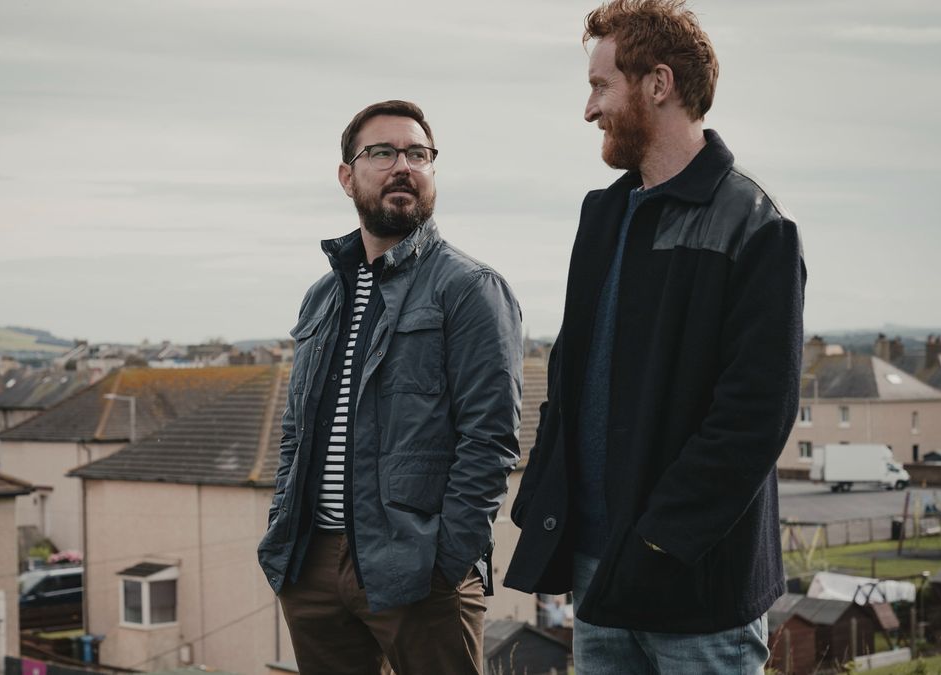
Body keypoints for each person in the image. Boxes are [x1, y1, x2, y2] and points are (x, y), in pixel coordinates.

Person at [503, 2, 806, 673]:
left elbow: (755, 415)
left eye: (600, 86)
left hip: (696, 592)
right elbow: (569, 380)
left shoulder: (755, 226)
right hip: (600, 578)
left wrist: (658, 543)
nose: (588, 109)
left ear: (658, 84)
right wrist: (546, 505)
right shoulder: (602, 215)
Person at [256, 100, 524, 675]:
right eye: (382, 152)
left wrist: (446, 560)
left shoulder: (470, 288)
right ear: (347, 176)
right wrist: (284, 525)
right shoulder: (321, 297)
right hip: (312, 565)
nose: (403, 165)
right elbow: (295, 430)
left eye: (418, 154)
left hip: (419, 567)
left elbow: (492, 439)